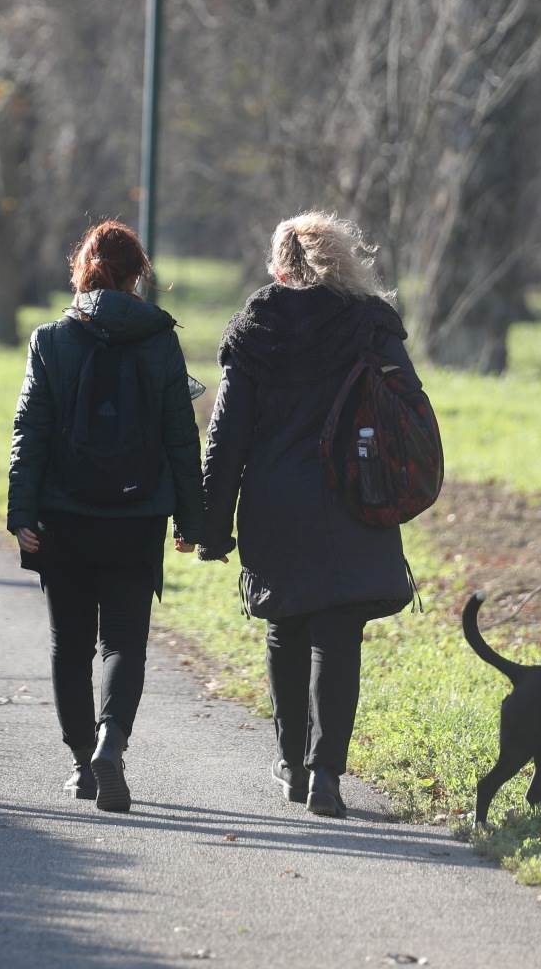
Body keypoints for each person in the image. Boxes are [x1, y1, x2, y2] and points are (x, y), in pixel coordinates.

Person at [200, 211, 420, 820]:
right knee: (339, 637)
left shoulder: (254, 327)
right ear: (341, 259)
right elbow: (408, 406)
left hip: (277, 503)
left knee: (286, 629)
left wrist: (212, 525)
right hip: (356, 495)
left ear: (278, 264)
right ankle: (327, 775)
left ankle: (292, 763)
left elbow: (226, 436)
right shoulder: (371, 324)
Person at [5, 221, 205, 814]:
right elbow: (179, 437)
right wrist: (190, 521)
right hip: (136, 514)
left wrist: (21, 511)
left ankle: (79, 764)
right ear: (137, 273)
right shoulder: (160, 339)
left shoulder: (50, 340)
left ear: (83, 270)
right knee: (124, 643)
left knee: (70, 647)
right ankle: (111, 744)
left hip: (63, 516)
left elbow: (29, 432)